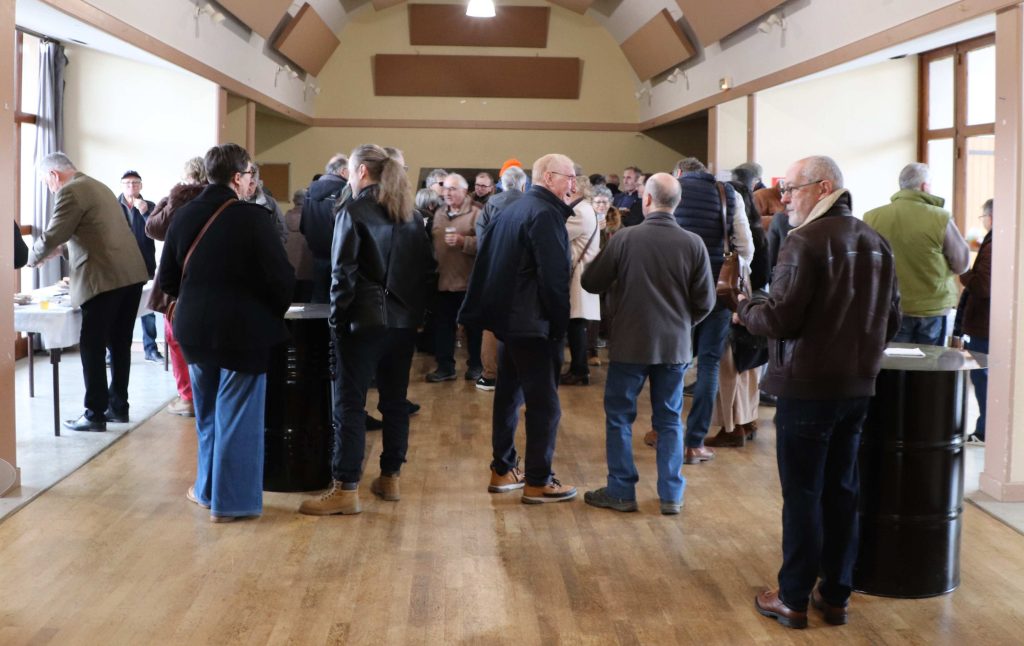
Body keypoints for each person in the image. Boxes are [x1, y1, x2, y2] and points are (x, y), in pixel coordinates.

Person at [738, 156, 900, 629]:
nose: (784, 198)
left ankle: (792, 598)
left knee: (804, 494)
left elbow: (781, 317)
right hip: (857, 388)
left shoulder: (803, 241)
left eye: (792, 188)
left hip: (806, 388)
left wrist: (746, 309)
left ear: (824, 187)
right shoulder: (875, 241)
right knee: (842, 490)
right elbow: (892, 318)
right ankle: (835, 595)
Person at [159, 143, 294, 522]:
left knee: (208, 416)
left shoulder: (184, 214)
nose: (252, 181)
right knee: (237, 418)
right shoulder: (253, 219)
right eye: (250, 174)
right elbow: (281, 279)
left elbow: (167, 279)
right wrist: (270, 311)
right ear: (237, 177)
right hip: (242, 331)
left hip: (193, 329)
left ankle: (206, 490)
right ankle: (231, 503)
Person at [299, 144, 436, 516]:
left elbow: (342, 274)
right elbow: (428, 272)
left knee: (349, 403)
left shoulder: (353, 210)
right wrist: (416, 316)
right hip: (403, 324)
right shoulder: (411, 214)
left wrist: (336, 321)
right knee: (395, 402)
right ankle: (390, 477)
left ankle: (345, 488)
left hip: (362, 322)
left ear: (360, 171)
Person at [581, 173, 715, 515]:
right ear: (677, 203)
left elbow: (591, 282)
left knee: (619, 417)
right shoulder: (694, 243)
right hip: (674, 346)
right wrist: (682, 324)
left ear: (647, 200)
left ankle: (621, 490)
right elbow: (706, 302)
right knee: (669, 419)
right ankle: (671, 494)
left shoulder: (625, 239)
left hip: (630, 342)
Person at [460, 153, 579, 504]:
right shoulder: (545, 213)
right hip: (532, 324)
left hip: (509, 321)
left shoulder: (513, 208)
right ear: (547, 177)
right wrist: (559, 327)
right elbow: (554, 279)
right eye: (568, 176)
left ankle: (503, 469)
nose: (573, 184)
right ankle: (538, 480)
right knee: (545, 405)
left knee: (508, 396)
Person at [27, 152, 149, 432]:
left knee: (92, 345)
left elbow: (53, 234)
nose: (50, 189)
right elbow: (96, 234)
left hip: (104, 278)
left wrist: (29, 259)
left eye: (47, 182)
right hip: (130, 274)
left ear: (54, 175)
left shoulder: (70, 191)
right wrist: (61, 250)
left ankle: (95, 414)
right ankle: (118, 407)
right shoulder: (97, 185)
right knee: (119, 343)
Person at [656, 157, 752, 464]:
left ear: (679, 173)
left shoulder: (670, 189)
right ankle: (694, 443)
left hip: (676, 289)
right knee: (709, 363)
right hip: (717, 289)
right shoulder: (728, 193)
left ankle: (665, 432)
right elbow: (745, 246)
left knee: (672, 360)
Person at [864, 162, 969, 345]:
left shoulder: (872, 217)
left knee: (896, 360)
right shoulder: (940, 217)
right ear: (924, 186)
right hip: (932, 308)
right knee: (930, 361)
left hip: (891, 305)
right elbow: (961, 264)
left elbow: (867, 262)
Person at [146, 156, 208, 418]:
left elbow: (153, 228)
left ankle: (188, 396)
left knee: (175, 339)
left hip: (176, 278)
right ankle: (203, 394)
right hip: (205, 277)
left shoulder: (179, 199)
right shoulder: (216, 200)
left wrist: (166, 199)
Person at [474, 165, 528, 392]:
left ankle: (489, 374)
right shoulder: (529, 205)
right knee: (521, 322)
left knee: (491, 324)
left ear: (501, 185)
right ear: (524, 186)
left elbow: (481, 240)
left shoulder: (490, 206)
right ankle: (518, 373)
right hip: (522, 274)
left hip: (494, 272)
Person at [427, 173, 482, 382]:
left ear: (464, 191)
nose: (447, 193)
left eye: (453, 189)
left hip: (469, 281)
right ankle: (445, 367)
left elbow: (486, 244)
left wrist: (463, 242)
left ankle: (476, 365)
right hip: (443, 279)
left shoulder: (476, 214)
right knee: (443, 326)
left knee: (473, 327)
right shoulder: (439, 213)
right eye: (445, 188)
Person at [118, 170, 162, 363]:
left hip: (145, 264)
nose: (131, 186)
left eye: (135, 183)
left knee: (147, 309)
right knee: (117, 310)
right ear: (122, 186)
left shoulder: (150, 206)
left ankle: (150, 349)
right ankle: (115, 351)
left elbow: (157, 231)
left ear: (141, 186)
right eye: (127, 183)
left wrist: (145, 213)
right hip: (119, 266)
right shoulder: (112, 206)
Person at [562, 167, 600, 386]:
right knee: (577, 323)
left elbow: (559, 232)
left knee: (576, 324)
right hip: (582, 271)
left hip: (578, 274)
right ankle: (578, 368)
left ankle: (579, 370)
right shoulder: (584, 209)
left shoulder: (579, 212)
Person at [959, 198, 993, 444]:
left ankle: (984, 431)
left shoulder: (993, 245)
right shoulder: (994, 241)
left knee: (982, 376)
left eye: (983, 218)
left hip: (984, 322)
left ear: (991, 217)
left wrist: (963, 272)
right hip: (987, 321)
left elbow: (982, 286)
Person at [301, 154, 348, 303]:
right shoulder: (344, 191)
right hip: (338, 252)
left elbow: (303, 224)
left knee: (318, 295)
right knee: (336, 297)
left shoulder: (310, 191)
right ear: (343, 171)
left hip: (316, 251)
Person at [283, 188, 315, 302]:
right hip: (308, 269)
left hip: (289, 269)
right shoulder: (312, 219)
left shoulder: (285, 218)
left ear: (294, 200)